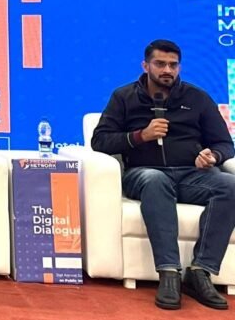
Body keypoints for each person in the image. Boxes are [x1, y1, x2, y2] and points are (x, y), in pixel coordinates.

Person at [92, 39, 235, 311]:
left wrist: (213, 156)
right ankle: (169, 272)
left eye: (173, 65)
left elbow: (225, 144)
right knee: (155, 181)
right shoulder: (124, 97)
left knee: (230, 185)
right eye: (160, 64)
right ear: (145, 66)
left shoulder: (197, 98)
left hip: (191, 175)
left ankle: (201, 271)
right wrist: (140, 136)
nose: (167, 70)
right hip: (144, 173)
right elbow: (100, 141)